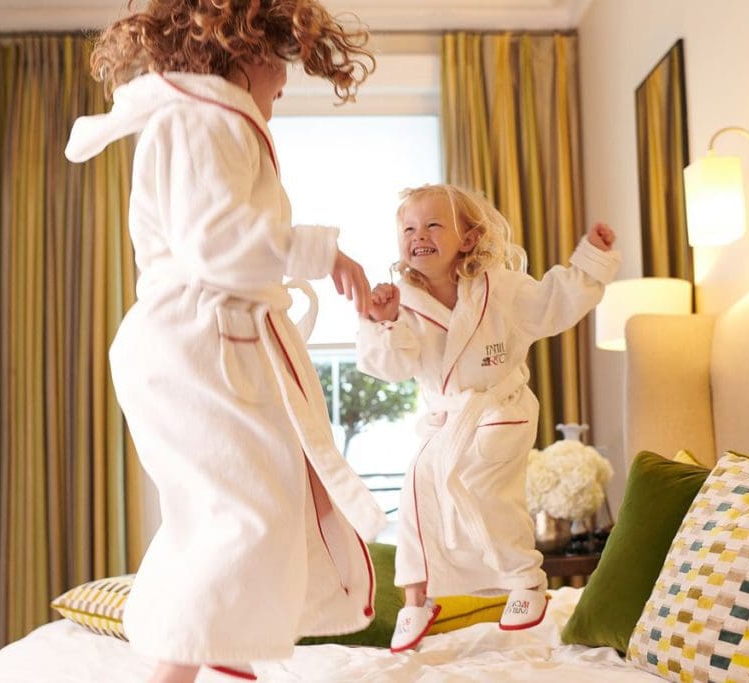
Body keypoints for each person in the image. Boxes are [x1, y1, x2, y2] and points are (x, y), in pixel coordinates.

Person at [64, 2, 386, 681]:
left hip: (207, 339)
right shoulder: (203, 119)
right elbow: (215, 242)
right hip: (199, 340)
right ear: (246, 51)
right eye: (281, 62)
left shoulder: (205, 119)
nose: (284, 83)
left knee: (244, 513)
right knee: (244, 515)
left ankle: (220, 658)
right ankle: (192, 664)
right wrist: (323, 253)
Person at [356, 184, 620, 653]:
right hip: (445, 420)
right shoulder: (405, 302)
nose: (419, 235)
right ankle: (418, 596)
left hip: (500, 408)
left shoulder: (501, 288)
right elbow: (392, 368)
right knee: (419, 488)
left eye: (434, 224)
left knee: (481, 487)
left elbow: (553, 303)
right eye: (409, 228)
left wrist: (590, 263)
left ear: (470, 236)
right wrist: (384, 322)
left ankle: (524, 579)